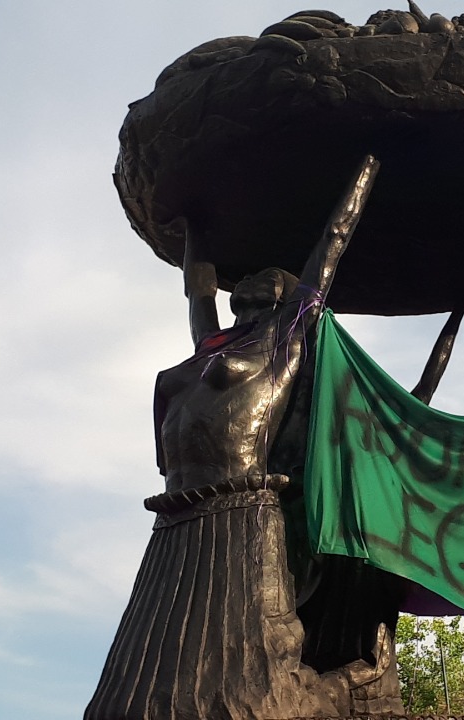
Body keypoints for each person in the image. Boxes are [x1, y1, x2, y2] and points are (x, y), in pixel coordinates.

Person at [86, 156, 384, 720]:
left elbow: (332, 245)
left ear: (281, 300)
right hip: (177, 516)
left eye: (260, 286)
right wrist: (194, 223)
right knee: (147, 679)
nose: (241, 287)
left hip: (238, 513)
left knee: (248, 674)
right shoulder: (212, 346)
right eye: (239, 288)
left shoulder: (282, 342)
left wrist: (367, 165)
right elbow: (197, 290)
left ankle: (349, 687)